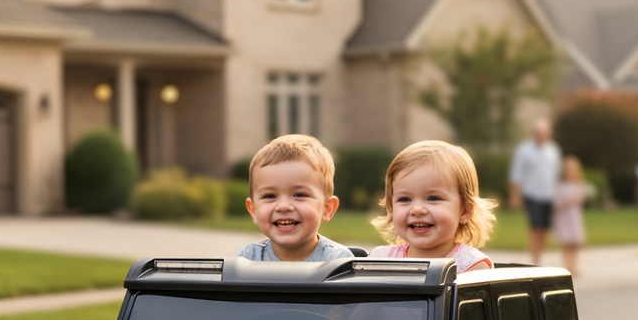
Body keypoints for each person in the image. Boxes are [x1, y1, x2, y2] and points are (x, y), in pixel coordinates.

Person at [369, 140, 495, 271]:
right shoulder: (381, 260)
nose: (417, 210)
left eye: (433, 198)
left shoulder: (472, 266)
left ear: (465, 211)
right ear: (390, 209)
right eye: (404, 199)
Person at [238, 134, 353, 262]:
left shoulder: (338, 261)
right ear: (253, 211)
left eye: (300, 195)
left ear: (327, 209)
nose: (283, 206)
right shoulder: (248, 259)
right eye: (269, 196)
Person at [508, 117, 562, 265]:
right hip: (532, 194)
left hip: (549, 195)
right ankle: (535, 259)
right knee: (535, 227)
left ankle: (540, 256)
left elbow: (556, 174)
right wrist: (515, 195)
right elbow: (516, 173)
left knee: (544, 229)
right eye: (538, 132)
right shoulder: (524, 150)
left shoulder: (554, 149)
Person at [554, 155, 587, 278]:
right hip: (564, 219)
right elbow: (557, 205)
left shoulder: (578, 185)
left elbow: (581, 199)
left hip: (574, 219)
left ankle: (574, 266)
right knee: (566, 244)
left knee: (575, 243)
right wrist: (568, 201)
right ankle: (567, 266)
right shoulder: (560, 187)